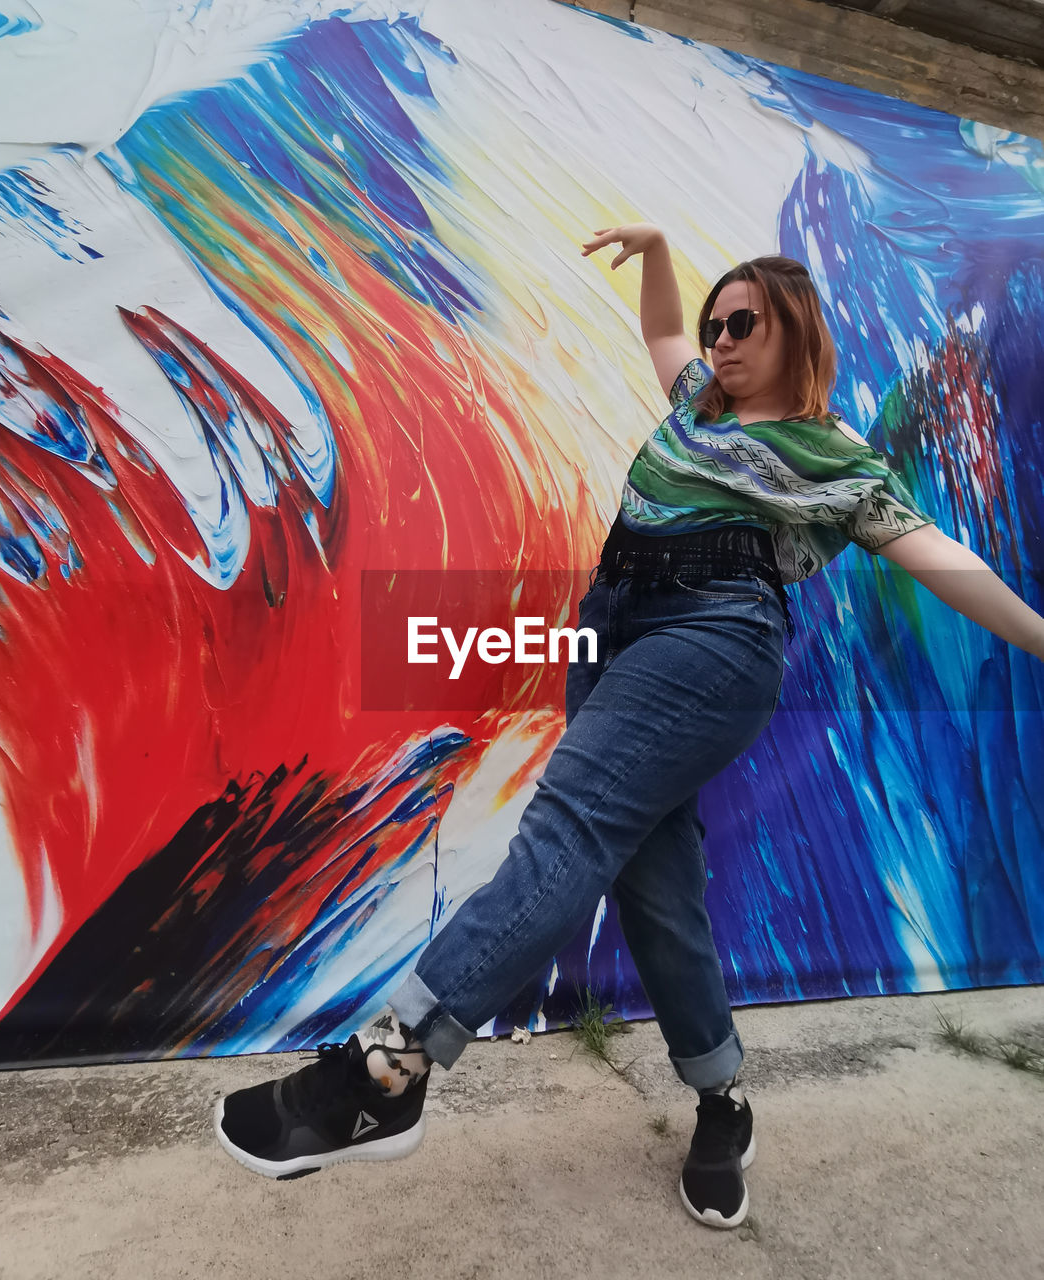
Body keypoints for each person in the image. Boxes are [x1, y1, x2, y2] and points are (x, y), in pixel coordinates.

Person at [213, 225, 1044, 1228]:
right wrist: (656, 252)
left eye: (744, 323)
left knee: (565, 829)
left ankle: (387, 1070)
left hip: (716, 635)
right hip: (609, 634)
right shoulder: (697, 399)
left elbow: (941, 556)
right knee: (657, 895)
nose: (721, 339)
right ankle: (721, 1096)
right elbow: (659, 331)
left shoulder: (833, 455)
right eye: (715, 322)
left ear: (795, 332)